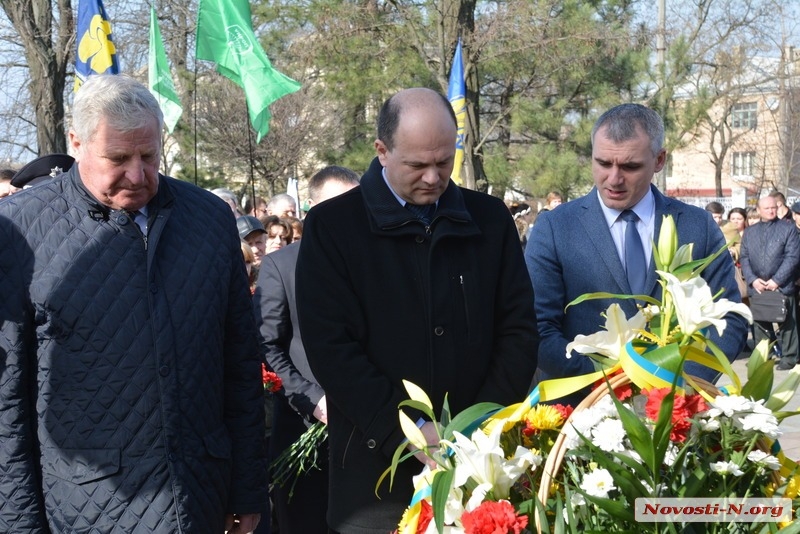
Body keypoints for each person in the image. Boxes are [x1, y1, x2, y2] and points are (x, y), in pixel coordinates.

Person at [0, 74, 266, 533]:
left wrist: (246, 488)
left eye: (150, 156)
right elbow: (8, 398)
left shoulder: (208, 219)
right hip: (86, 508)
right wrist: (19, 523)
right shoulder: (19, 230)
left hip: (200, 495)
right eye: (118, 159)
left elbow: (239, 365)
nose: (138, 175)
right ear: (76, 142)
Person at [295, 87, 539, 533]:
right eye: (417, 165)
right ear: (382, 151)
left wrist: (480, 423)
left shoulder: (489, 220)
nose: (433, 177)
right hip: (375, 480)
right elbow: (331, 348)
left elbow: (518, 330)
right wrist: (404, 428)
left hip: (479, 463)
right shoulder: (333, 228)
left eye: (444, 162)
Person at [526, 103, 748, 405]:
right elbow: (537, 326)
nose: (614, 179)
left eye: (630, 167)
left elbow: (729, 318)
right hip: (579, 413)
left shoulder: (697, 226)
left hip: (675, 408)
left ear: (659, 160)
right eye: (603, 163)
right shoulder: (555, 227)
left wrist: (673, 385)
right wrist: (609, 385)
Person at [255, 165, 360, 534]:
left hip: (369, 438)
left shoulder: (376, 264)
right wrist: (313, 399)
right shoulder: (280, 266)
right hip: (305, 436)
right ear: (312, 211)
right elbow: (267, 346)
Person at [741, 195, 800, 370]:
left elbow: (792, 257)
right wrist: (752, 280)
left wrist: (777, 280)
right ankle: (762, 357)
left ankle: (789, 358)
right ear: (759, 210)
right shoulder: (750, 232)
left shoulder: (787, 229)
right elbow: (744, 257)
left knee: (787, 322)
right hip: (758, 286)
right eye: (767, 208)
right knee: (760, 323)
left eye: (773, 207)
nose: (771, 210)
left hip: (782, 285)